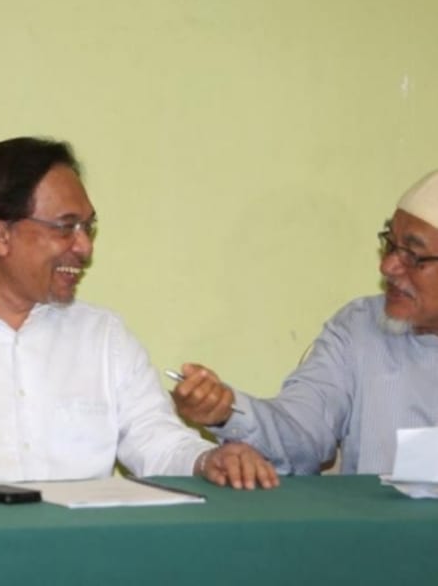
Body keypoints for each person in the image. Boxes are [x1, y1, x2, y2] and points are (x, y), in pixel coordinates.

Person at [0, 137, 277, 490]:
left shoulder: (103, 335)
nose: (84, 247)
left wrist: (208, 459)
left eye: (88, 227)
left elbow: (156, 441)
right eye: (65, 227)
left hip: (86, 552)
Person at [172, 169, 438, 475]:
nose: (388, 266)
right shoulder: (360, 327)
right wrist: (228, 412)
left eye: (413, 255)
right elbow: (301, 432)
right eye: (390, 245)